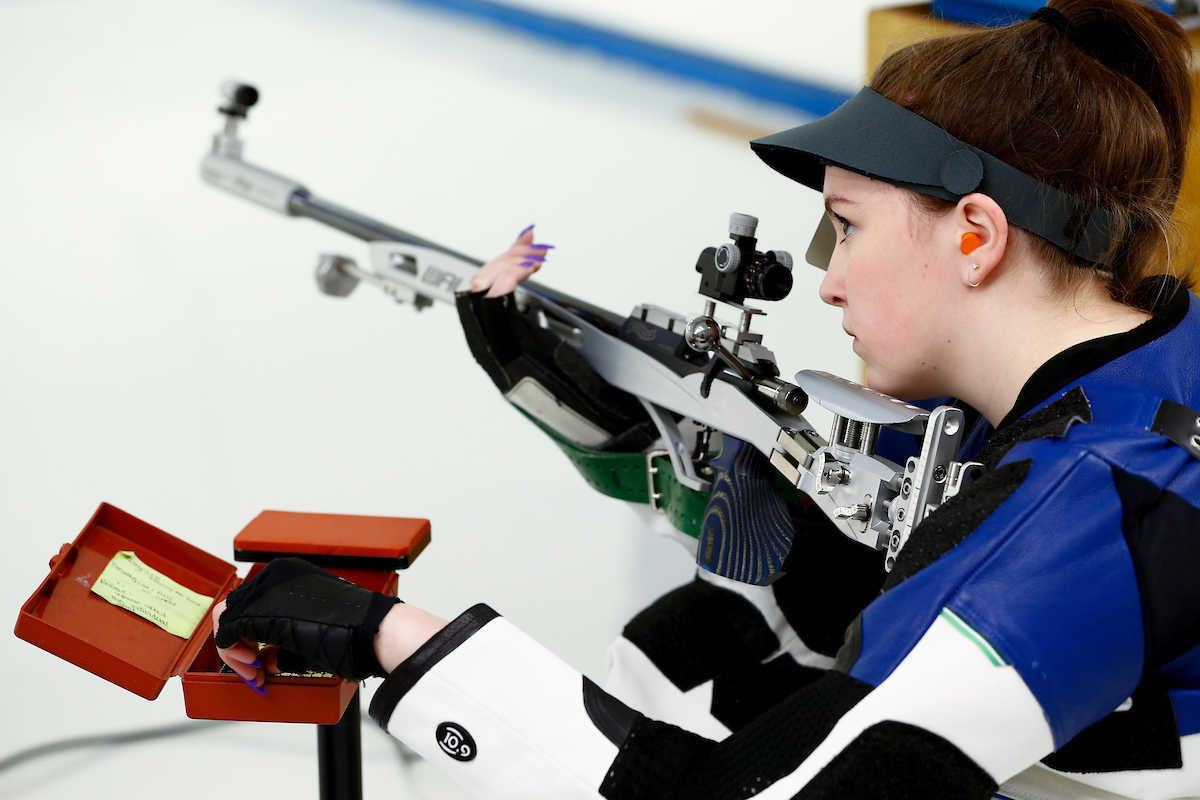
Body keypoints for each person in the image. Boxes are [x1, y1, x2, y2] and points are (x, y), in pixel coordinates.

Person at [212, 1, 1200, 797]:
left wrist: (390, 638)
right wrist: (610, 422)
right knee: (693, 651)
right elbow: (848, 534)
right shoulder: (1145, 356)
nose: (828, 282)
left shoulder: (1089, 504)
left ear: (976, 236)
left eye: (844, 228)